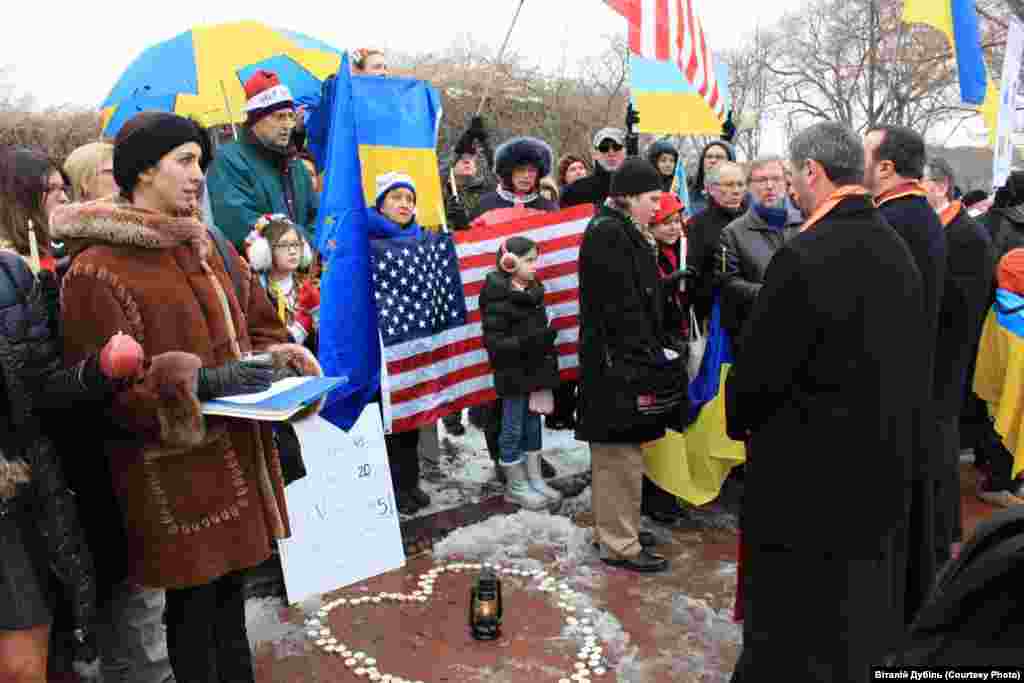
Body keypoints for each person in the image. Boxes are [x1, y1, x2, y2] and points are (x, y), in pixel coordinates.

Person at [54, 111, 322, 683]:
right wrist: (197, 384)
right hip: (169, 480)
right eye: (185, 161)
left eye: (201, 161)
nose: (199, 175)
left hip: (240, 460)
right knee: (193, 621)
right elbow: (103, 395)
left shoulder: (211, 247)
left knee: (231, 612)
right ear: (142, 172)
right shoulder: (95, 268)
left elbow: (261, 327)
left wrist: (281, 363)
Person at [726, 121, 924, 682]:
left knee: (795, 623)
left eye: (791, 176)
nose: (789, 188)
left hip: (804, 477)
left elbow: (759, 378)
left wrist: (738, 415)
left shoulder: (804, 255)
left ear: (811, 172)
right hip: (877, 466)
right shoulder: (896, 247)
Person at [0, 146, 150, 683]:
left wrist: (100, 371)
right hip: (28, 474)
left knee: (42, 634)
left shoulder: (21, 274)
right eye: (51, 190)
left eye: (66, 188)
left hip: (40, 470)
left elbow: (37, 385)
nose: (64, 199)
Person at [864, 124, 947, 623]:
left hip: (888, 393)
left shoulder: (893, 221)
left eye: (865, 154)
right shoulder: (920, 215)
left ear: (887, 168)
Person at [577, 158, 674, 573]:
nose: (658, 206)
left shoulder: (617, 229)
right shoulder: (609, 234)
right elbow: (621, 308)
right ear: (630, 196)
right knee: (619, 455)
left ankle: (615, 528)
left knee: (621, 453)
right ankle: (619, 543)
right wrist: (648, 355)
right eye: (653, 199)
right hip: (615, 366)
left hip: (617, 362)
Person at [921, 157, 996, 562]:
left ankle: (946, 535)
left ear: (942, 185)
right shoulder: (943, 230)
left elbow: (963, 306)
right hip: (941, 357)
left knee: (941, 446)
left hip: (949, 358)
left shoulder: (965, 236)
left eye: (922, 185)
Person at [479, 236, 563, 510]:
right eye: (528, 260)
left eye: (534, 260)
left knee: (532, 423)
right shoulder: (496, 295)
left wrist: (545, 339)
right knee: (512, 426)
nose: (534, 266)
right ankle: (515, 486)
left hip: (535, 370)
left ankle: (534, 478)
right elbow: (495, 343)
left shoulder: (534, 290)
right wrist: (532, 341)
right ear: (509, 262)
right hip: (512, 373)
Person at [367, 172, 435, 515]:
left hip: (411, 342)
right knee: (388, 421)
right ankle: (392, 487)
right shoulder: (367, 238)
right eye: (397, 198)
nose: (405, 204)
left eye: (410, 199)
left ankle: (410, 481)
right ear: (381, 204)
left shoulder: (421, 237)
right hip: (380, 344)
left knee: (410, 417)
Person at [206, 70, 318, 250]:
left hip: (305, 270)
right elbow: (240, 226)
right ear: (256, 119)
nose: (288, 125)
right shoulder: (228, 161)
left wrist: (310, 249)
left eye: (290, 116)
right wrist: (300, 242)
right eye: (279, 117)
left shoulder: (294, 161)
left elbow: (317, 215)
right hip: (255, 275)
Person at [640, 191, 690, 525]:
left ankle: (670, 488)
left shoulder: (681, 252)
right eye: (665, 222)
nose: (673, 228)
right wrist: (667, 288)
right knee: (656, 422)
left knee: (675, 422)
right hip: (656, 347)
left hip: (679, 343)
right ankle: (653, 494)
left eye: (676, 222)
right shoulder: (647, 255)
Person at [716, 157, 799, 349]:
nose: (769, 186)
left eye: (776, 178)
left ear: (786, 183)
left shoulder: (807, 223)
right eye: (761, 180)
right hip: (758, 334)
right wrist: (771, 293)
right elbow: (728, 283)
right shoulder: (733, 233)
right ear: (749, 187)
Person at [972, 249, 1024, 506]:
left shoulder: (1003, 306)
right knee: (1005, 429)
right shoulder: (1016, 318)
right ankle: (997, 485)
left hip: (998, 390)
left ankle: (1010, 480)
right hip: (1008, 395)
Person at [686, 160, 748, 329]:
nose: (736, 191)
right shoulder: (697, 225)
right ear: (712, 189)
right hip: (715, 317)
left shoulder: (754, 219)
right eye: (728, 185)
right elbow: (695, 275)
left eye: (740, 184)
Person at [245, 214, 320, 352]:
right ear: (265, 251)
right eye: (284, 245)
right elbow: (271, 348)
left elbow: (328, 340)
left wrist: (317, 313)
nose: (292, 251)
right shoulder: (258, 292)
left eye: (296, 244)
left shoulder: (310, 287)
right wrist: (303, 322)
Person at [477, 137, 558, 214]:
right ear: (509, 172)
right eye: (520, 170)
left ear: (539, 174)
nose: (526, 175)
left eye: (532, 170)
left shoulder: (549, 208)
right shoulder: (485, 204)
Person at [561, 127, 627, 209]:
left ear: (625, 151)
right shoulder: (575, 191)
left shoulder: (638, 185)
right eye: (604, 148)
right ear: (594, 153)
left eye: (617, 147)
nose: (611, 153)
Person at [687, 140, 735, 216]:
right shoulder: (688, 195)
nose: (713, 160)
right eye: (709, 157)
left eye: (719, 157)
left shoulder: (740, 197)